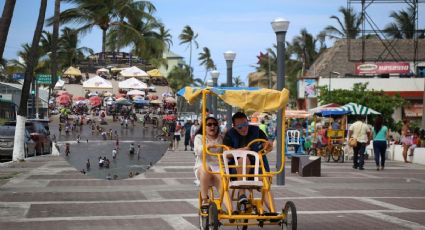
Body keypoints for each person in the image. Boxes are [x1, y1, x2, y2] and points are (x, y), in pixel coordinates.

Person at [223, 112, 272, 205]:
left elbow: (266, 146)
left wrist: (268, 145)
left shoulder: (256, 131)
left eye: (245, 124)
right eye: (240, 127)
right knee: (244, 158)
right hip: (237, 171)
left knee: (265, 184)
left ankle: (272, 211)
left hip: (256, 169)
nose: (244, 128)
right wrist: (241, 150)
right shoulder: (230, 134)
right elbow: (225, 152)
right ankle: (241, 193)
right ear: (234, 126)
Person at [194, 116, 223, 208]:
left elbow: (226, 153)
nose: (212, 127)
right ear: (204, 127)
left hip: (218, 168)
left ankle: (231, 210)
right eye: (209, 124)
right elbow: (198, 151)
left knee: (223, 184)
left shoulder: (221, 138)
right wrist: (207, 146)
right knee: (205, 168)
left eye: (215, 124)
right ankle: (205, 199)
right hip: (203, 168)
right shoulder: (199, 137)